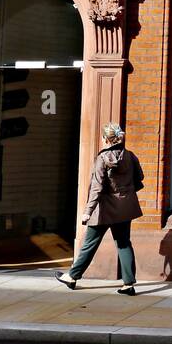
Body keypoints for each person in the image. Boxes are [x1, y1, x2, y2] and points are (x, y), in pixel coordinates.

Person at [56, 123, 145, 295]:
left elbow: (96, 188)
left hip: (104, 209)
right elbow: (140, 177)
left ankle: (72, 276)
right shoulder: (129, 155)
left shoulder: (102, 158)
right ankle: (128, 284)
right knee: (124, 243)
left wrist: (87, 211)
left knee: (90, 244)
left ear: (105, 139)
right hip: (124, 208)